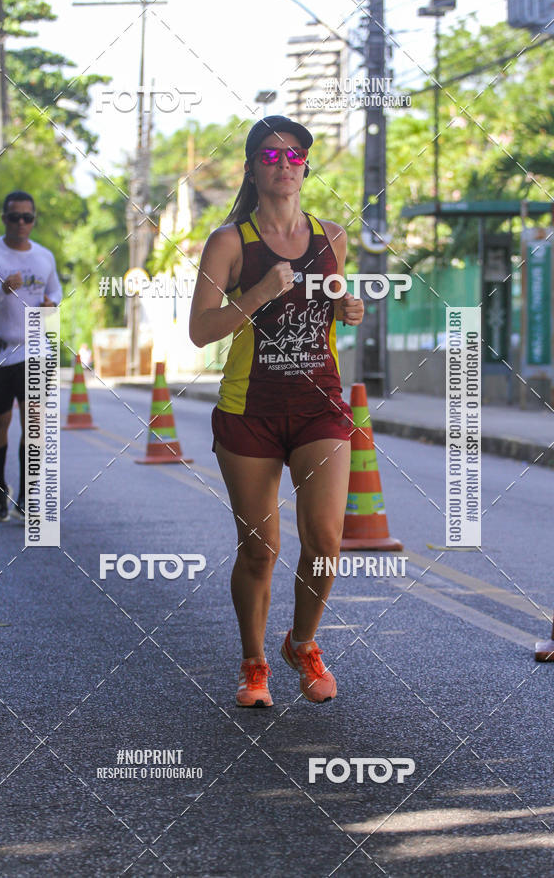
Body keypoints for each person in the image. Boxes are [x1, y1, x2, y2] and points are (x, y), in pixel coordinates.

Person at [189, 116, 364, 707]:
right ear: (252, 167)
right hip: (250, 412)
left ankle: (304, 643)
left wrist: (350, 309)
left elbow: (335, 303)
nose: (283, 165)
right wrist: (259, 293)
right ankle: (254, 662)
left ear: (306, 167)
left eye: (294, 157)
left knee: (325, 540)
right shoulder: (230, 242)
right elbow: (200, 330)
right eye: (270, 155)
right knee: (260, 549)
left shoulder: (332, 236)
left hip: (320, 406)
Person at [0, 190, 62, 522]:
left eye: (27, 218)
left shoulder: (44, 257)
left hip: (36, 352)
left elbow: (56, 289)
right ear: (4, 218)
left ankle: (29, 496)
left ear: (34, 220)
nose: (21, 223)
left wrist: (52, 303)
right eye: (14, 217)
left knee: (34, 425)